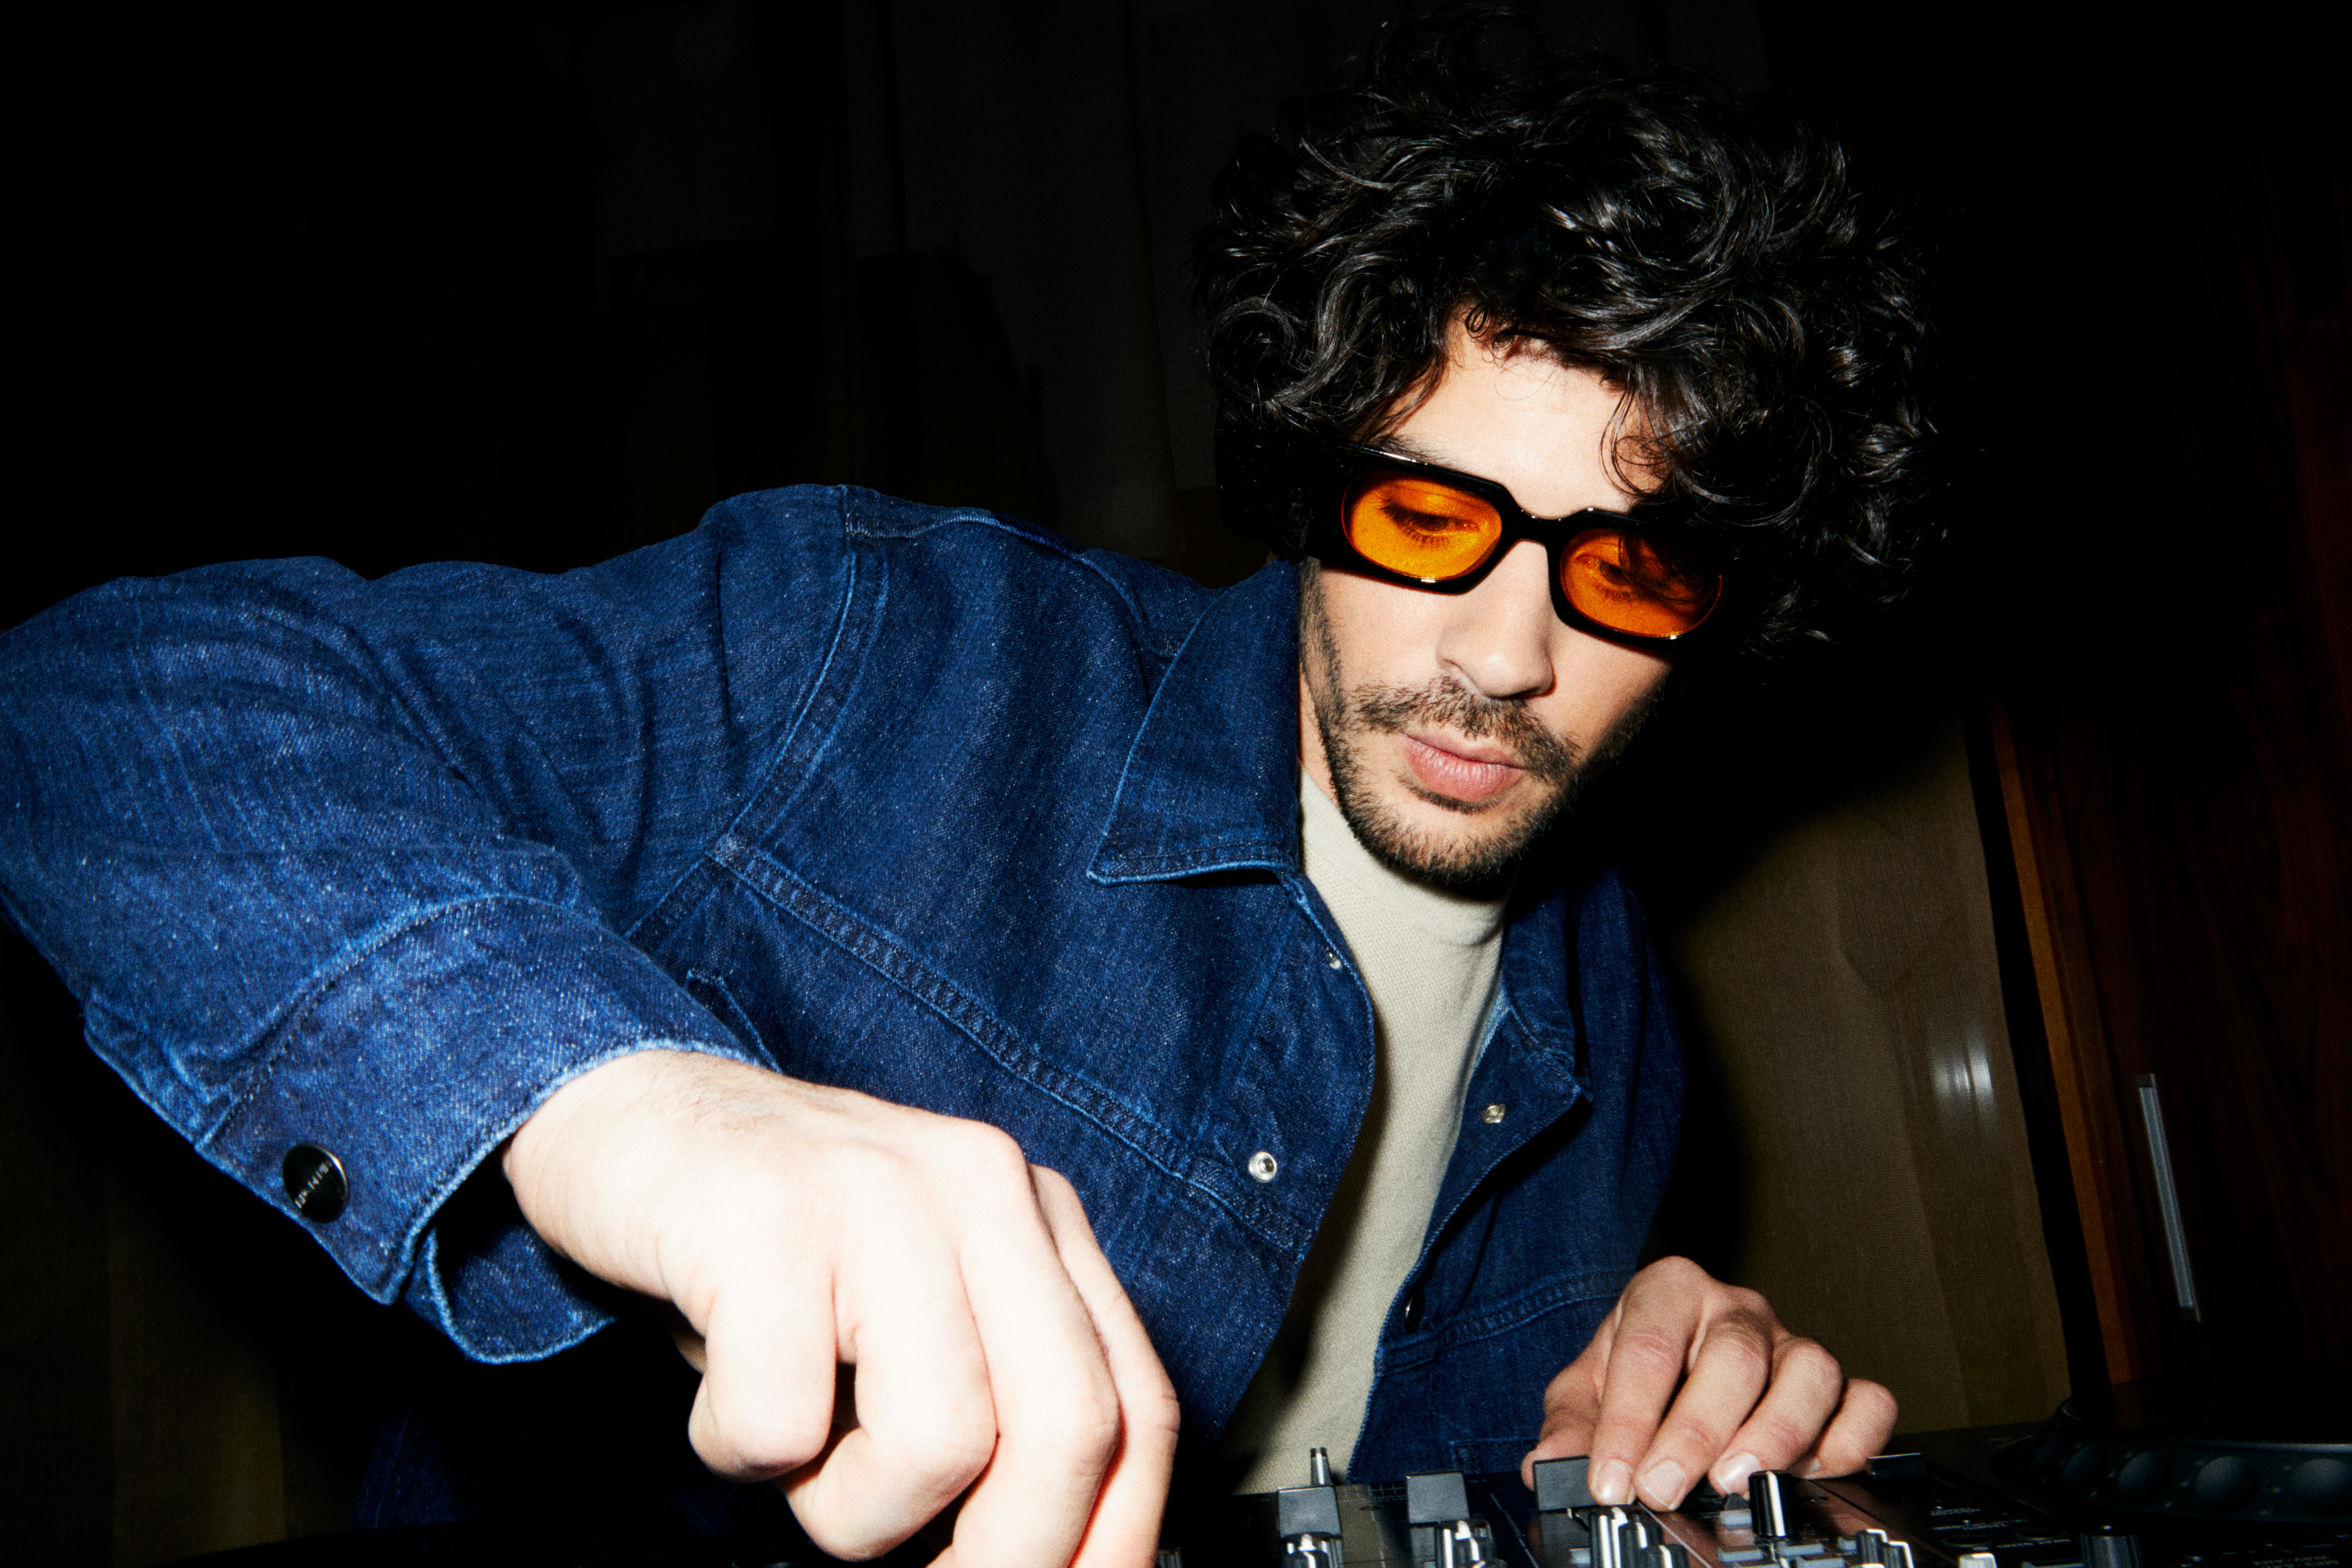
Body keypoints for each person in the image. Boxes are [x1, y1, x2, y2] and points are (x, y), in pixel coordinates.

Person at [0, 14, 1930, 1566]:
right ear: (1311, 472)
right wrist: (624, 1104)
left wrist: (1681, 1406)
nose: (1508, 656)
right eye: (1430, 516)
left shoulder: (1622, 1012)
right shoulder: (884, 654)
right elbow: (102, 701)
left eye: (1631, 570)